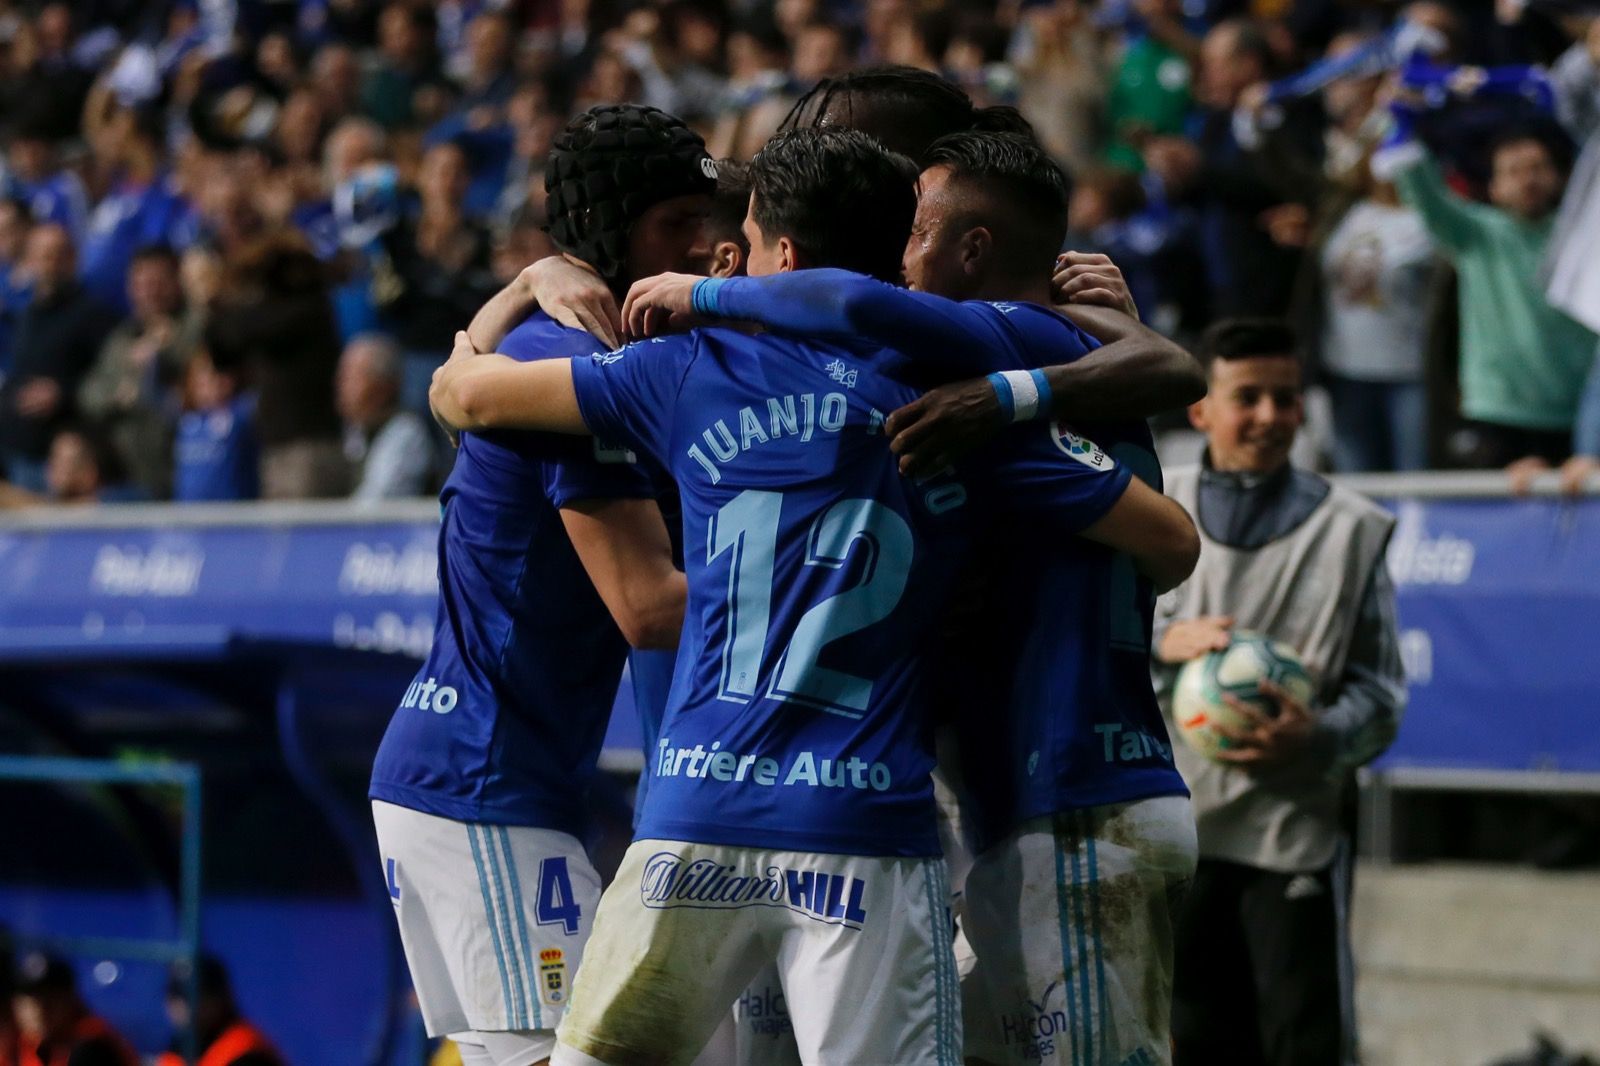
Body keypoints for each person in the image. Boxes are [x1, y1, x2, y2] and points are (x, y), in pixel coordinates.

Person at [430, 126, 1200, 1066]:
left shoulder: (682, 372)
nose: (727, 259)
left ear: (779, 259)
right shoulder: (956, 400)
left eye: (744, 245)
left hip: (693, 818)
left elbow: (464, 396)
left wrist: (523, 286)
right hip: (864, 829)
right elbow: (1170, 519)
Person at [368, 103, 707, 1066]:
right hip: (483, 784)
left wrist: (519, 283)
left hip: (472, 776)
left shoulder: (537, 349)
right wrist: (821, 574)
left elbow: (453, 386)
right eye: (674, 223)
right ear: (614, 232)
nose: (699, 243)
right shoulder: (571, 370)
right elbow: (646, 608)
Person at [1152, 318, 1405, 1066]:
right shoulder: (1153, 502)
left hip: (1293, 826)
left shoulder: (1351, 528)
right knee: (1191, 1035)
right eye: (1249, 397)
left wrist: (1319, 735)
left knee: (1304, 1038)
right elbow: (1081, 650)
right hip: (1176, 828)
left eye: (1287, 399)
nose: (1270, 416)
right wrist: (1157, 648)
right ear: (1201, 408)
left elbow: (1382, 697)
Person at [1374, 112, 1598, 468]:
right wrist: (1397, 121)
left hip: (1577, 416)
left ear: (1561, 176)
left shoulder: (1583, 236)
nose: (1528, 180)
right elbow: (1423, 190)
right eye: (1513, 171)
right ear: (1493, 187)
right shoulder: (1475, 233)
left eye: (1538, 168)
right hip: (1496, 413)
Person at [0, 223, 115, 492]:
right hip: (14, 455)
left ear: (73, 258)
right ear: (29, 261)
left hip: (58, 467)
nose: (50, 264)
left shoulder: (93, 315)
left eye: (58, 255)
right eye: (43, 256)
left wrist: (62, 394)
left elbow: (108, 379)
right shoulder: (27, 315)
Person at [77, 244, 195, 499]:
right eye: (141, 284)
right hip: (127, 476)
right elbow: (89, 394)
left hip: (181, 469)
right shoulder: (122, 338)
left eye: (157, 282)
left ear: (177, 283)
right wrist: (118, 397)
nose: (149, 292)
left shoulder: (193, 328)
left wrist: (163, 353)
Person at [337, 333, 436, 500]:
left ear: (383, 386)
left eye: (352, 377)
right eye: (342, 377)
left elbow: (378, 503)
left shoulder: (407, 431)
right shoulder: (357, 429)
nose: (341, 386)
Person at [12, 952, 138, 1066]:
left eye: (49, 1001)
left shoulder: (93, 1048)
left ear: (70, 1001)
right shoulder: (21, 1044)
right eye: (29, 1002)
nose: (38, 1011)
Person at [156, 956, 283, 1066]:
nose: (178, 1005)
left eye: (189, 997)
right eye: (173, 994)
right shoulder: (176, 1049)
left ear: (216, 1000)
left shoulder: (246, 1053)